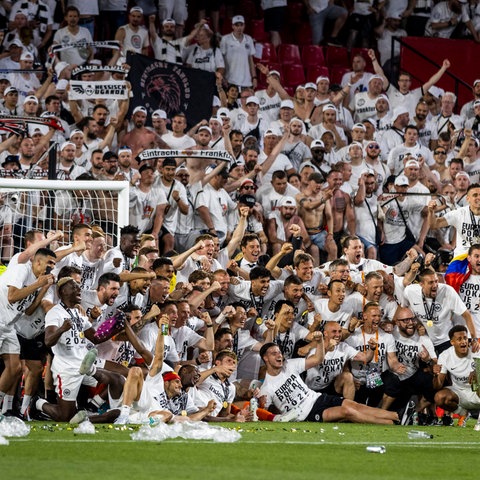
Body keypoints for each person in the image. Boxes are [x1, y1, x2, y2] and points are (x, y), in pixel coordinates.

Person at [258, 339, 399, 423]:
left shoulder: (289, 364)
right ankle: (390, 424)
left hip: (317, 398)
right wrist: (271, 413)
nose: (279, 355)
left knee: (354, 405)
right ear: (265, 358)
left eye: (279, 352)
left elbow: (317, 359)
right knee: (347, 411)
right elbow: (262, 411)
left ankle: (396, 416)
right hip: (307, 414)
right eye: (274, 353)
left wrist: (320, 342)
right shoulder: (267, 387)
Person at [402, 267, 478, 355]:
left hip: (446, 340)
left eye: (436, 281)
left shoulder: (447, 291)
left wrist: (474, 338)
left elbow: (466, 314)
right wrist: (417, 324)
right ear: (421, 284)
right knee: (430, 367)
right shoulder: (410, 291)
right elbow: (403, 309)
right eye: (430, 282)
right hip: (425, 339)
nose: (435, 285)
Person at [433, 325, 480, 427]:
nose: (463, 342)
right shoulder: (445, 356)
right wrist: (435, 374)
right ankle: (463, 413)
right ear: (452, 342)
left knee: (478, 377)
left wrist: (477, 372)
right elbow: (438, 385)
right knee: (439, 397)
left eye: (465, 338)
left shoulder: (476, 350)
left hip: (477, 393)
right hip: (459, 395)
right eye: (459, 339)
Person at [429, 182, 480, 257]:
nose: (479, 197)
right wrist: (431, 212)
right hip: (462, 256)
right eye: (475, 195)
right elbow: (434, 225)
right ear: (468, 198)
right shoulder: (459, 213)